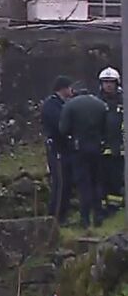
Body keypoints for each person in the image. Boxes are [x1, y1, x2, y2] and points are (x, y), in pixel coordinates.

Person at [59, 88, 108, 228]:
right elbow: (105, 127)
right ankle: (98, 215)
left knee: (83, 184)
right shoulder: (100, 104)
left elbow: (63, 129)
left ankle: (85, 218)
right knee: (97, 181)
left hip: (79, 148)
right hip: (97, 147)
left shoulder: (70, 105)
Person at [42, 76, 74, 223]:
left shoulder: (62, 104)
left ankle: (63, 215)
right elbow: (59, 125)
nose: (72, 90)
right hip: (57, 149)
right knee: (60, 183)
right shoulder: (51, 105)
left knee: (67, 182)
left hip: (65, 149)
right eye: (69, 87)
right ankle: (54, 217)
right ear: (63, 88)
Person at [96, 67, 124, 220]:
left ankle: (115, 208)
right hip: (102, 147)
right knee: (101, 179)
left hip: (119, 148)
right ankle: (102, 208)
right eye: (105, 82)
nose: (108, 85)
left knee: (116, 179)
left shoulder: (123, 100)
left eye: (111, 82)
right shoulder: (97, 101)